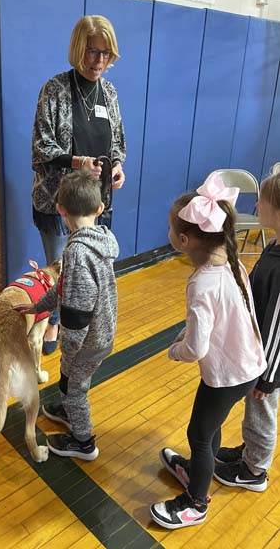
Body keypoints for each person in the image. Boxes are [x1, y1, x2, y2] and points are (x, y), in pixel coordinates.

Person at [149, 172, 266, 530]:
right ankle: (201, 469)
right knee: (210, 427)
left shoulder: (201, 283)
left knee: (199, 435)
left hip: (227, 375)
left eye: (170, 230)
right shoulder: (231, 260)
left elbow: (197, 347)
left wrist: (177, 350)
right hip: (248, 366)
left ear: (183, 240)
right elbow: (227, 317)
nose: (168, 234)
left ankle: (196, 502)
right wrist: (191, 334)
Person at [31, 14, 126, 355]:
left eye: (105, 53)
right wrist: (77, 163)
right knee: (61, 269)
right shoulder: (54, 89)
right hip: (59, 200)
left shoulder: (110, 92)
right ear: (77, 50)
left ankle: (86, 324)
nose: (98, 61)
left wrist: (117, 167)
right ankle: (54, 321)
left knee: (89, 269)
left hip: (96, 202)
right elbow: (41, 147)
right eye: (91, 52)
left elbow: (117, 143)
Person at [14, 170, 119, 460]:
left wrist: (70, 346)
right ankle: (68, 406)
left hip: (87, 340)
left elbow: (77, 311)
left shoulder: (77, 253)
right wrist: (37, 307)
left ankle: (83, 441)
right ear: (100, 209)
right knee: (70, 379)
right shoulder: (102, 241)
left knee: (75, 388)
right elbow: (64, 290)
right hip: (101, 331)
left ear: (59, 209)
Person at [214, 172, 280, 492]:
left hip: (269, 363)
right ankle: (249, 451)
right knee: (254, 410)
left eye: (262, 202)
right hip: (260, 355)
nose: (256, 205)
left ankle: (255, 470)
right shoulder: (274, 248)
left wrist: (267, 377)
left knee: (262, 408)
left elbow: (278, 330)